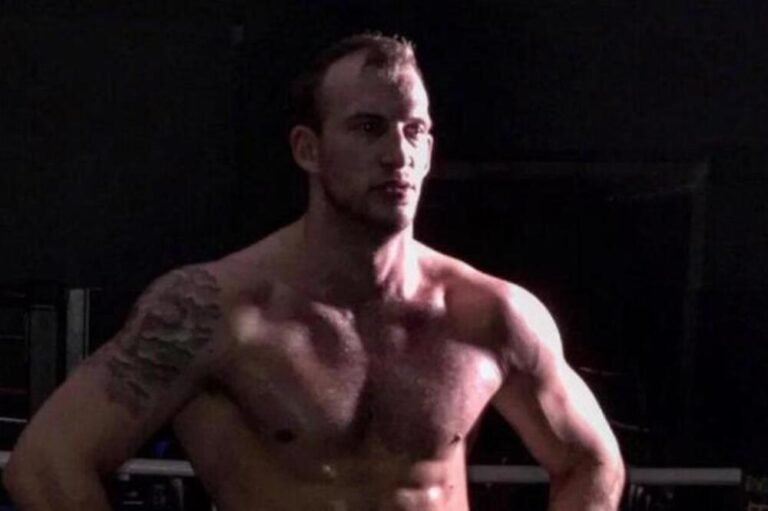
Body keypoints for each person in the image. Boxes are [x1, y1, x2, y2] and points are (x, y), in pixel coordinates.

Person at [3, 33, 625, 510]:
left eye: (415, 131)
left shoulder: (490, 315)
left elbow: (593, 464)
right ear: (308, 149)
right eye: (368, 128)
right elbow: (47, 464)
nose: (398, 153)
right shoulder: (215, 311)